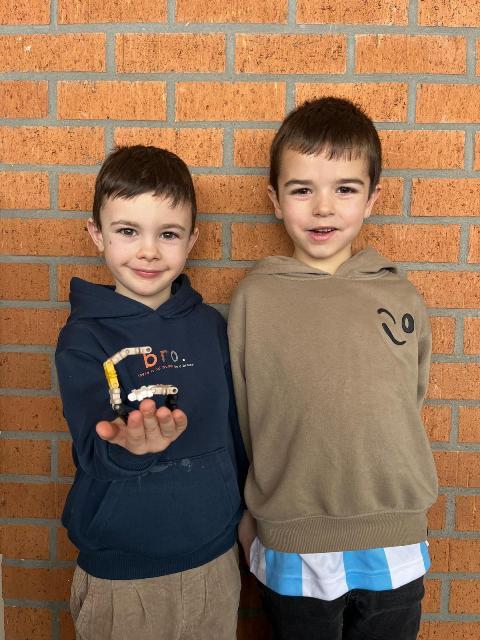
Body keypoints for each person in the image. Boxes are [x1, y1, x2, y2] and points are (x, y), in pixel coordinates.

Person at [227, 98, 438, 640]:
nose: (324, 208)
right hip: (294, 539)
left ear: (372, 199)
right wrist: (251, 513)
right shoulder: (255, 300)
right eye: (302, 190)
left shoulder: (401, 295)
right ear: (275, 200)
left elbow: (407, 399)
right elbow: (246, 417)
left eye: (345, 189)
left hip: (393, 535)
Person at [55, 145, 247, 640]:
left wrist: (246, 514)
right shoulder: (84, 338)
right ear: (96, 234)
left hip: (214, 562)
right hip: (123, 578)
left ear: (192, 239)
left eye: (168, 234)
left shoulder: (210, 326)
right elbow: (93, 446)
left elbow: (233, 433)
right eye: (127, 231)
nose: (148, 251)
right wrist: (129, 448)